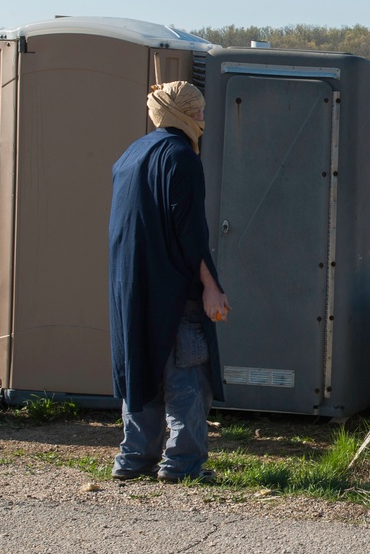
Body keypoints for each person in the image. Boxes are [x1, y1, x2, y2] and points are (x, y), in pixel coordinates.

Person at [108, 81, 229, 482]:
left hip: (131, 288)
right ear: (186, 115)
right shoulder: (181, 157)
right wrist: (211, 287)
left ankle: (134, 459)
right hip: (175, 289)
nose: (203, 119)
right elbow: (189, 233)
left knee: (140, 365)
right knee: (188, 375)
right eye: (199, 112)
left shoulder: (131, 154)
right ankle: (182, 463)